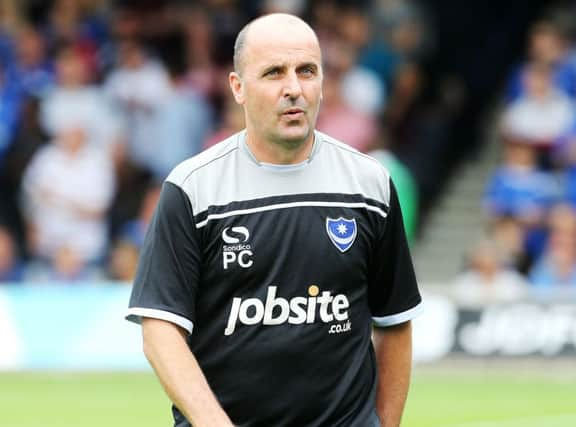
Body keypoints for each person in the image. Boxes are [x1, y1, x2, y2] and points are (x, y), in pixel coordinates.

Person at [126, 13, 422, 427]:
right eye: (273, 73)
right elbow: (160, 331)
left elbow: (394, 322)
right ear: (238, 88)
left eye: (307, 71)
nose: (294, 89)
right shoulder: (193, 188)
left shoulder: (369, 184)